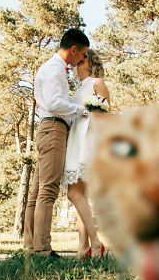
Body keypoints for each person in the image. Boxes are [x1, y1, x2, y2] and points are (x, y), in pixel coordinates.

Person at [24, 28, 89, 258]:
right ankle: (42, 249)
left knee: (37, 191)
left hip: (48, 127)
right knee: (48, 190)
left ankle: (31, 246)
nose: (82, 59)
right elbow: (53, 103)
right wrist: (80, 110)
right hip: (53, 128)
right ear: (73, 49)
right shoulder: (54, 69)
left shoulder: (54, 68)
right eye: (82, 54)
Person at [63, 49, 109, 259]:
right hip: (75, 139)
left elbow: (106, 115)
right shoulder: (77, 88)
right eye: (78, 59)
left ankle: (96, 243)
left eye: (84, 59)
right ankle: (83, 248)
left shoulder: (96, 82)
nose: (79, 62)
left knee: (74, 193)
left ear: (91, 63)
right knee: (79, 195)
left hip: (88, 140)